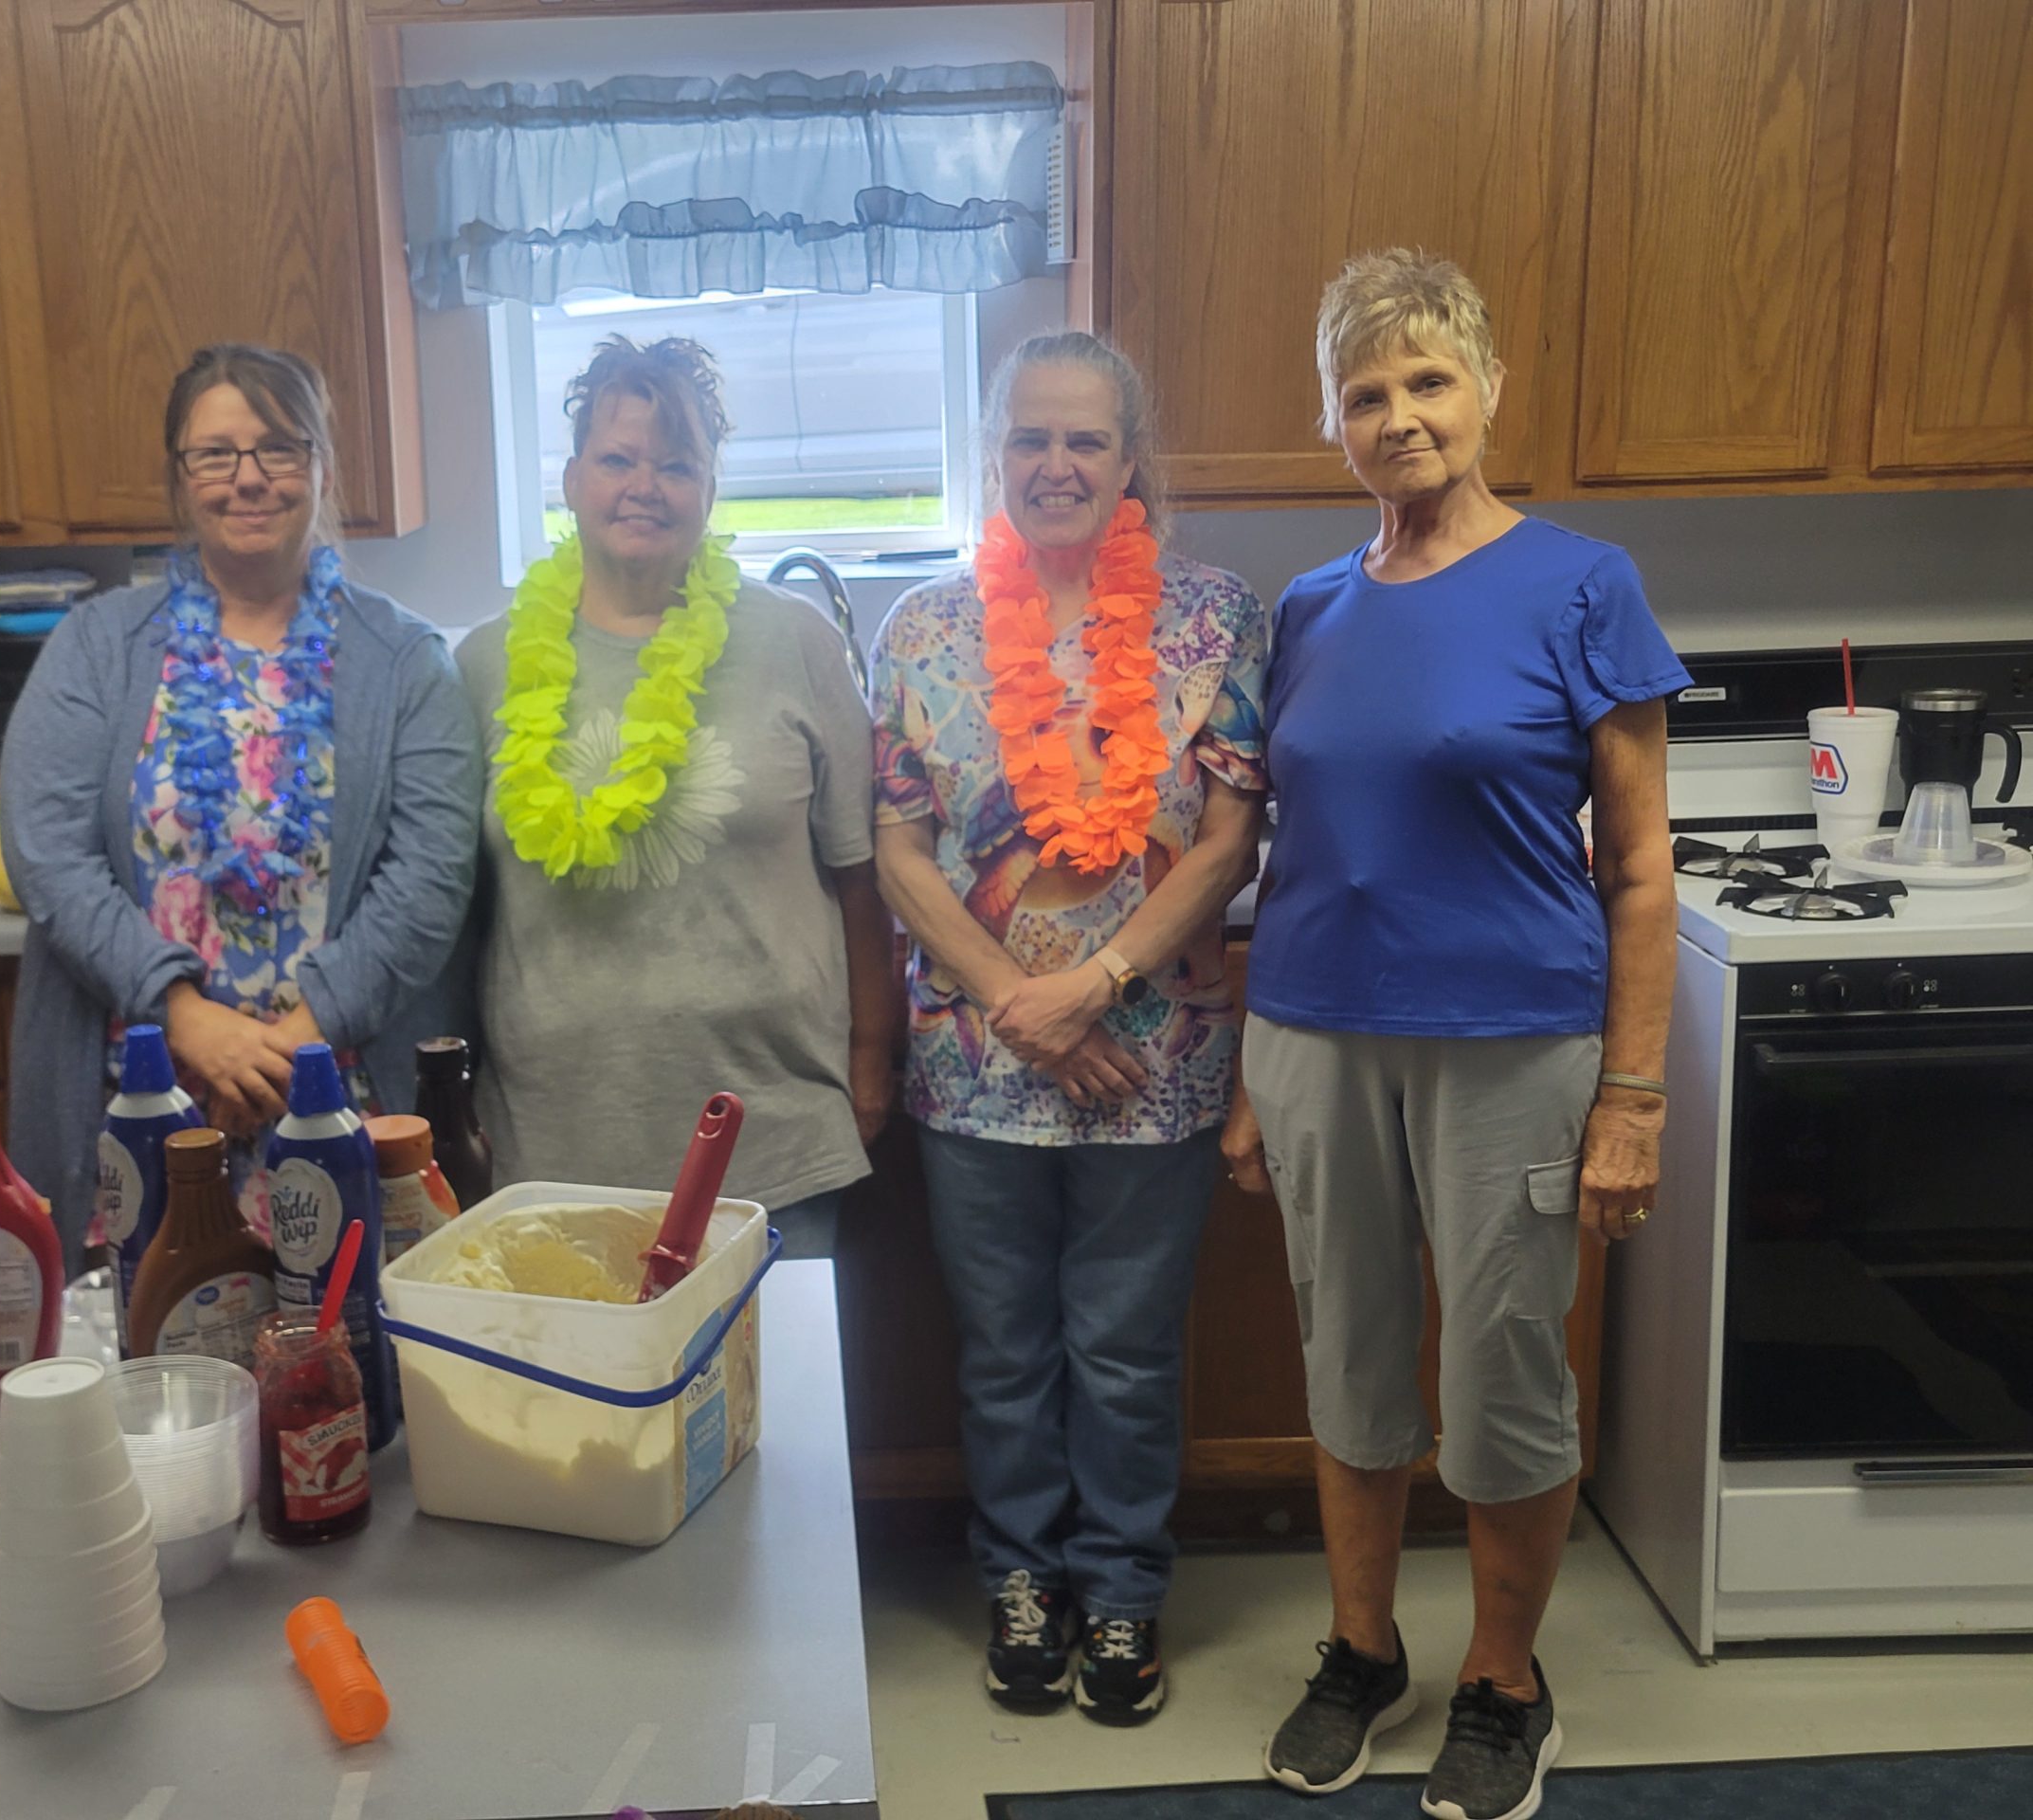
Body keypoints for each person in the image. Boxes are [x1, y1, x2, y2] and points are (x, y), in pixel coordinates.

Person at [1228, 250, 1684, 1820]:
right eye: (1366, 391)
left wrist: (1633, 1098)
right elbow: (1287, 848)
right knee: (1347, 1357)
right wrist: (1254, 1072)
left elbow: (1641, 868)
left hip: (1511, 1036)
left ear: (1488, 390)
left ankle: (1504, 1681)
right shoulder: (1307, 608)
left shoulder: (1581, 583)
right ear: (1331, 421)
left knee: (1503, 1368)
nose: (1401, 415)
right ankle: (1363, 1653)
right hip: (1315, 1037)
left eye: (1429, 380)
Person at [870, 331, 1267, 1725]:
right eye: (1029, 438)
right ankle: (1022, 1582)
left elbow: (1226, 841)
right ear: (994, 453)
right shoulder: (920, 628)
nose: (1055, 464)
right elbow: (900, 848)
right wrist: (1017, 1004)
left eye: (1085, 439)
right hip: (974, 1065)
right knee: (1002, 1352)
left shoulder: (1214, 619)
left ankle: (1123, 1592)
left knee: (1125, 1351)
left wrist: (1094, 987)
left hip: (1156, 1060)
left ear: (1129, 457)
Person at [1, 343, 481, 1262]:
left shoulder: (405, 660)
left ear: (322, 467)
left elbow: (429, 881)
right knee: (148, 1338)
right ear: (180, 479)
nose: (248, 478)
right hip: (137, 1111)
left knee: (347, 1344)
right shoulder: (95, 647)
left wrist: (290, 1049)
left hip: (342, 1108)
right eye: (215, 454)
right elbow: (47, 856)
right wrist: (187, 1020)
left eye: (279, 448)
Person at [455, 336, 896, 1257]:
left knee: (775, 1360)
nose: (644, 487)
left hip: (773, 1138)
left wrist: (870, 1065)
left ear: (709, 489)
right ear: (572, 480)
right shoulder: (484, 663)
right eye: (617, 460)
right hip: (550, 1145)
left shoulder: (798, 643)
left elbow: (863, 883)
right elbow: (461, 916)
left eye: (676, 465)